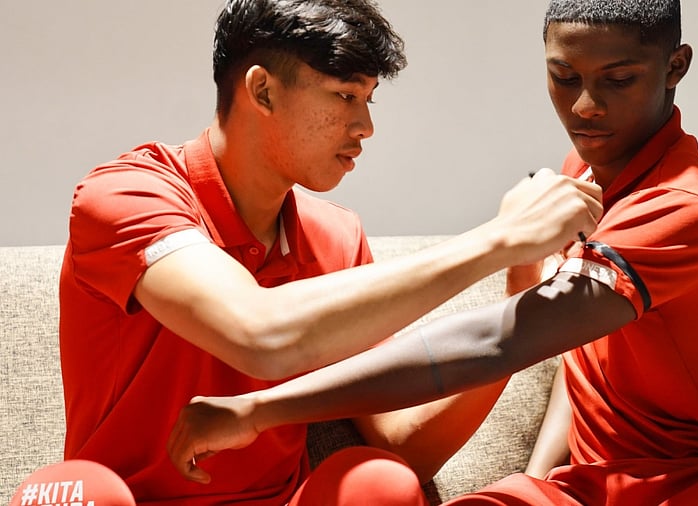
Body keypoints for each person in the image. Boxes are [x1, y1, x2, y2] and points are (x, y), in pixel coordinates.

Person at [166, 0, 698, 504]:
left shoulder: (687, 207)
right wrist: (537, 480)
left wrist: (259, 408)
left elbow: (501, 340)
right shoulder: (586, 176)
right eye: (563, 76)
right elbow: (586, 355)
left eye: (619, 79)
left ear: (675, 67)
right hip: (595, 486)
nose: (587, 105)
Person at [50, 0, 604, 504]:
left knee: (379, 480)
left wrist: (517, 294)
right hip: (118, 500)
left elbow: (402, 447)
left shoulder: (334, 236)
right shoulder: (125, 196)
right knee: (68, 493)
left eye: (367, 99)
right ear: (263, 90)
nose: (365, 126)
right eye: (344, 97)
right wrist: (496, 238)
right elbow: (258, 335)